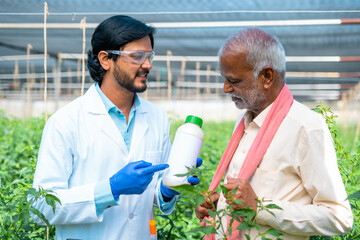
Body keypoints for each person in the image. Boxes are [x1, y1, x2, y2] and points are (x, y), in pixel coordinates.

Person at [31, 15, 201, 240]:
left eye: (149, 56)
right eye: (137, 56)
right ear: (105, 59)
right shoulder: (65, 121)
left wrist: (168, 189)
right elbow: (41, 206)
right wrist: (109, 190)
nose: (147, 65)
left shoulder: (157, 118)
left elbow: (154, 194)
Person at [195, 28, 353, 240]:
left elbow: (339, 217)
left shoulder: (306, 127)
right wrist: (220, 203)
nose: (225, 88)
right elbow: (243, 196)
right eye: (224, 78)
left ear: (266, 77)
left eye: (234, 81)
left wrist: (260, 208)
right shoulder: (242, 122)